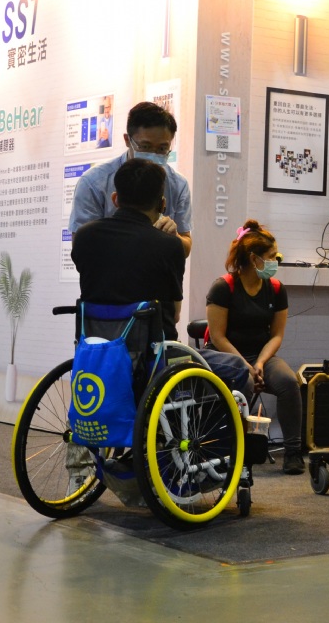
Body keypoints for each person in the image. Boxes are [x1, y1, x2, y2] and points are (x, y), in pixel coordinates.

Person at [206, 220, 304, 474]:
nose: (276, 261)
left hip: (261, 356)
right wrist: (245, 366)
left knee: (288, 382)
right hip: (225, 356)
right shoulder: (223, 287)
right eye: (272, 256)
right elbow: (218, 337)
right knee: (245, 381)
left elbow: (277, 335)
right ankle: (232, 450)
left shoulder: (276, 289)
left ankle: (293, 452)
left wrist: (259, 363)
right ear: (254, 258)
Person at [72, 159, 185, 339]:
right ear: (162, 204)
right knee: (223, 360)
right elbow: (176, 315)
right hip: (153, 350)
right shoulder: (170, 245)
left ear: (115, 199)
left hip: (96, 345)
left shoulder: (84, 236)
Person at [69, 101, 193, 257]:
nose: (153, 154)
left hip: (158, 271)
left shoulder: (178, 185)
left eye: (162, 148)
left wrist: (174, 238)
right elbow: (81, 246)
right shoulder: (94, 183)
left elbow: (186, 245)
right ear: (127, 140)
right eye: (145, 147)